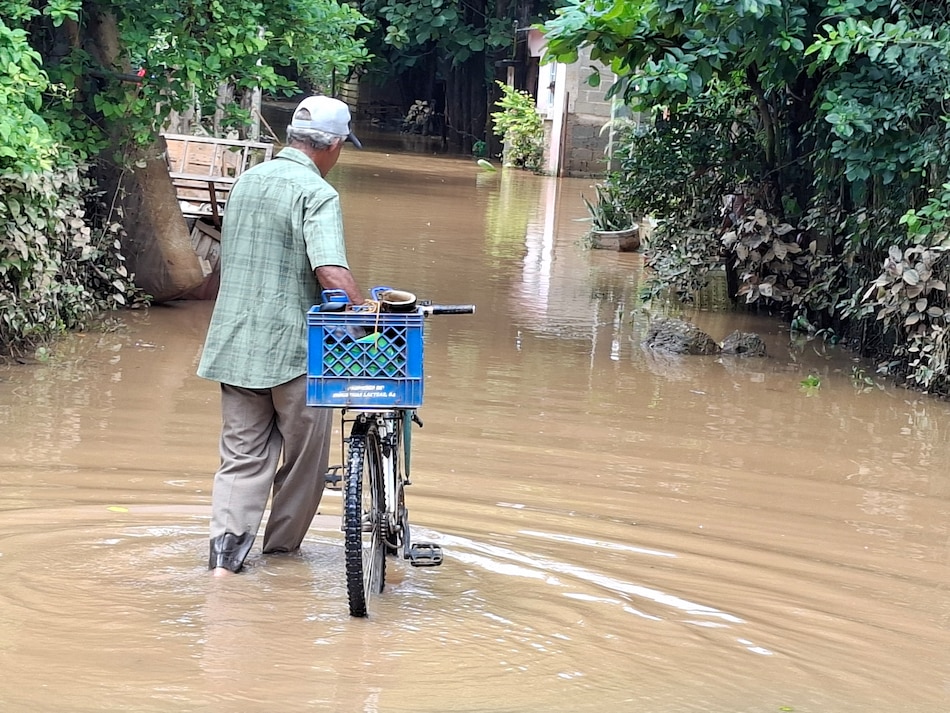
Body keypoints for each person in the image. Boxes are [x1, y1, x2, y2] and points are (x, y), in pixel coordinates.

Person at [197, 95, 364, 576]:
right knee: (305, 463)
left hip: (234, 346)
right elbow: (330, 272)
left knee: (241, 459)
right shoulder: (317, 193)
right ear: (332, 146)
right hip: (297, 351)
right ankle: (280, 558)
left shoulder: (246, 182)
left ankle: (224, 565)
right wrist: (365, 315)